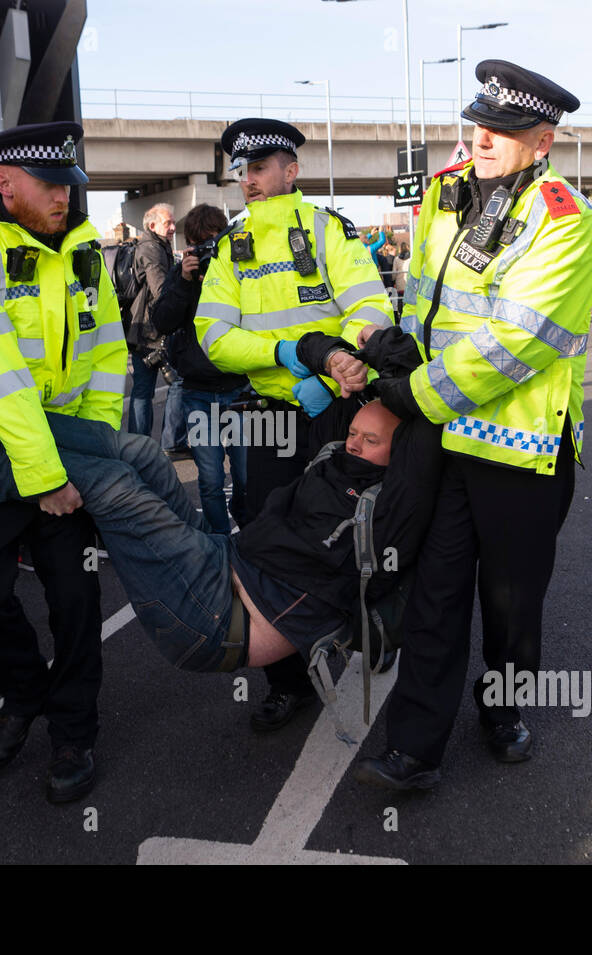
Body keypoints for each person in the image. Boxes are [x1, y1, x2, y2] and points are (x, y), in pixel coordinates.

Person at [351, 59, 592, 790]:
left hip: (518, 443)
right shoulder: (444, 193)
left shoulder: (565, 221)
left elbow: (518, 343)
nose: (485, 138)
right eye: (481, 123)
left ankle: (504, 710)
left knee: (512, 600)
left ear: (543, 141)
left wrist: (406, 396)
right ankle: (414, 748)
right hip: (442, 433)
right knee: (435, 590)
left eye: (507, 129)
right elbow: (426, 298)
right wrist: (394, 354)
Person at [0, 121, 126, 804]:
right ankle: (23, 692)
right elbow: (0, 379)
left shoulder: (87, 251)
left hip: (66, 458)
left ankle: (73, 729)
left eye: (70, 181)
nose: (65, 195)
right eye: (50, 183)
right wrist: (48, 481)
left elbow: (106, 360)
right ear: (3, 184)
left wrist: (90, 456)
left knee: (75, 600)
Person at [0, 392, 443, 680]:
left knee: (118, 489)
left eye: (370, 441)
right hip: (222, 562)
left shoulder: (389, 506)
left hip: (219, 620)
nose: (353, 443)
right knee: (146, 455)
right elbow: (343, 402)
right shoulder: (336, 459)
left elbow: (422, 446)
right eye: (355, 433)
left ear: (396, 457)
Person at [194, 117, 394, 732]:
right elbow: (214, 337)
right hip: (270, 413)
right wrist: (287, 355)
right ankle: (287, 678)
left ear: (290, 170)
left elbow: (370, 308)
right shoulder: (230, 247)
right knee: (264, 535)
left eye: (258, 168)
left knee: (353, 529)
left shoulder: (329, 231)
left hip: (332, 406)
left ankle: (371, 629)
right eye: (241, 170)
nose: (247, 180)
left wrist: (336, 367)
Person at [150, 202, 250, 533]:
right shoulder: (183, 275)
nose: (206, 251)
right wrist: (185, 280)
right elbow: (162, 320)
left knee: (246, 477)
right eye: (199, 245)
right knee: (208, 481)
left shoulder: (240, 270)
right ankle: (220, 545)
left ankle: (249, 541)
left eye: (213, 242)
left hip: (240, 390)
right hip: (197, 393)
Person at [126, 203, 175, 438]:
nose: (174, 227)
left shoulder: (159, 246)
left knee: (149, 389)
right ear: (153, 225)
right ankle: (142, 443)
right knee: (146, 390)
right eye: (168, 223)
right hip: (148, 332)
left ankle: (150, 442)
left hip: (151, 329)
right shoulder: (150, 248)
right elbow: (160, 289)